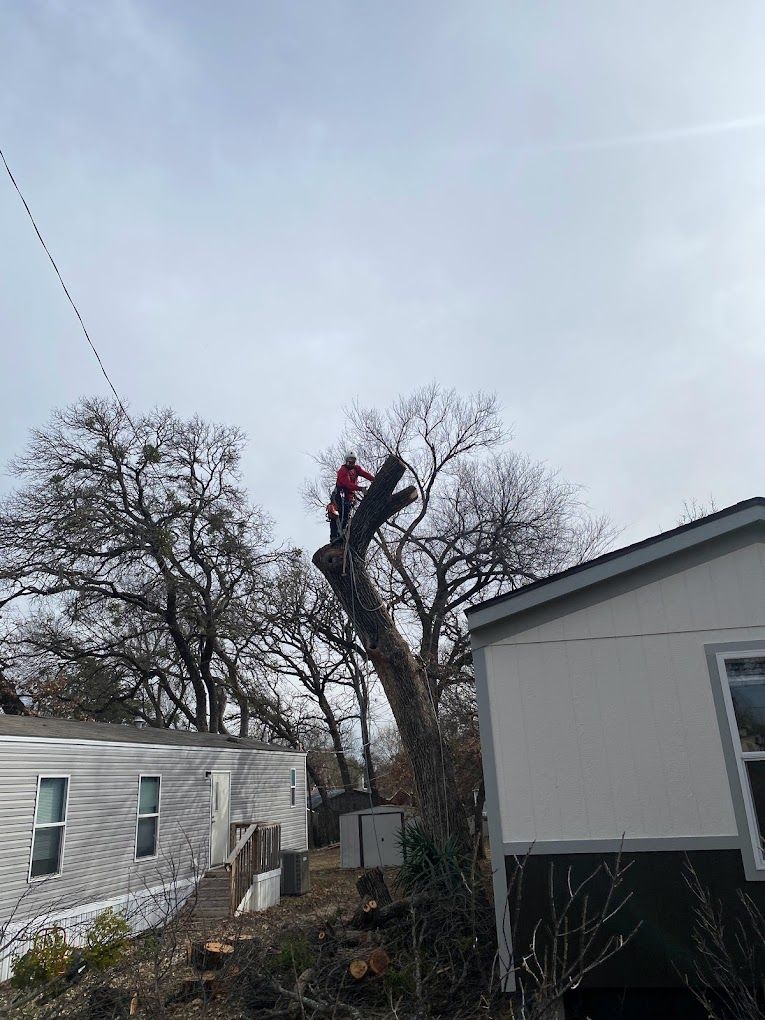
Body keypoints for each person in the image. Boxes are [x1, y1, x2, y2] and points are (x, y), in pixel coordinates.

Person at [328, 452, 374, 541]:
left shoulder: (356, 469)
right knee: (337, 515)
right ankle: (334, 536)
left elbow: (364, 474)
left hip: (349, 497)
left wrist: (373, 479)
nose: (351, 464)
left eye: (353, 462)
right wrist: (360, 489)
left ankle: (343, 533)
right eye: (350, 462)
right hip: (339, 496)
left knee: (346, 516)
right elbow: (348, 485)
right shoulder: (342, 471)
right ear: (346, 461)